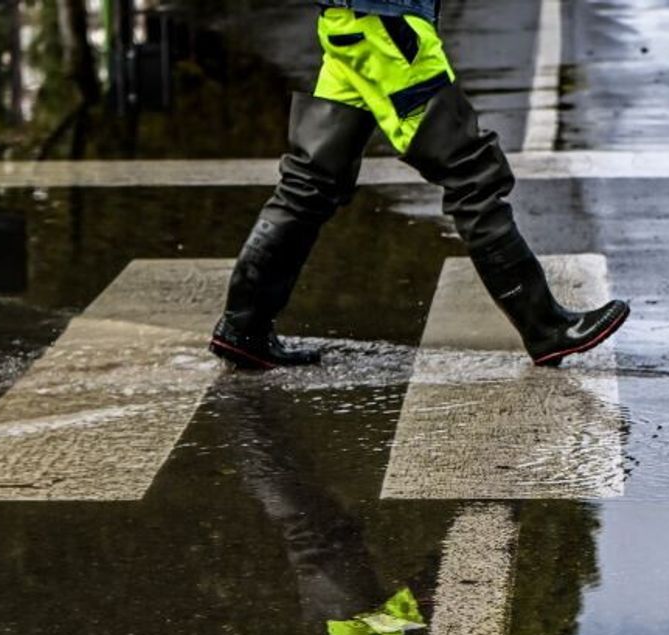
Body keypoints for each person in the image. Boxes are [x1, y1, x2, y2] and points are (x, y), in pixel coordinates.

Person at [210, 0, 630, 371]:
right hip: (388, 27)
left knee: (311, 180)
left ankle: (243, 328)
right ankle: (547, 327)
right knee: (473, 173)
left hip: (352, 21)